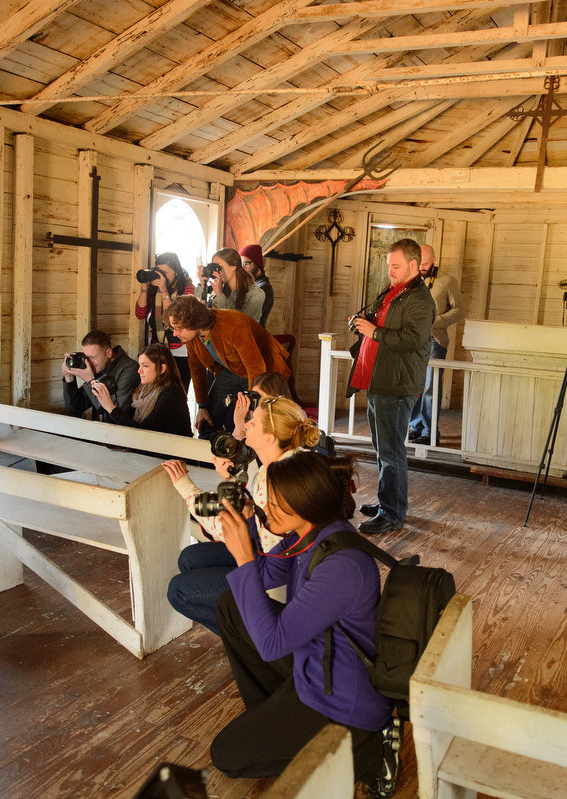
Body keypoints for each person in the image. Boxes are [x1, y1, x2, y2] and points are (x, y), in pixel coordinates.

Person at [208, 451, 394, 788]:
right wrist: (248, 527)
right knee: (230, 606)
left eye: (275, 504)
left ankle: (372, 754)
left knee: (225, 754)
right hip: (317, 663)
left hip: (342, 700)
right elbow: (264, 577)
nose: (266, 509)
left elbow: (271, 644)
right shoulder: (308, 535)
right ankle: (275, 716)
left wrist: (243, 557)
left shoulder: (342, 565)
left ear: (305, 505)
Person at [162, 396, 320, 635]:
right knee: (190, 558)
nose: (246, 425)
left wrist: (186, 488)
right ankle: (239, 617)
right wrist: (232, 480)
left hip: (272, 566)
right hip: (279, 553)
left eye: (253, 422)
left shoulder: (273, 478)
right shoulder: (288, 460)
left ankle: (249, 641)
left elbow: (227, 528)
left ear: (269, 438)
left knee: (178, 591)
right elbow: (250, 511)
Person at [347, 238, 435, 535]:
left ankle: (393, 513)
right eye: (389, 266)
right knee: (382, 448)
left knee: (391, 451)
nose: (390, 271)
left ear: (414, 265)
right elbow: (385, 324)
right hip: (380, 379)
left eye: (396, 266)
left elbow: (412, 339)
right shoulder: (394, 291)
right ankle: (387, 502)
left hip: (397, 385)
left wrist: (375, 332)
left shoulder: (420, 299)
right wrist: (366, 322)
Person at [164, 295, 290, 438]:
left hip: (264, 372)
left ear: (194, 322)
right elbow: (197, 370)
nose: (175, 334)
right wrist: (202, 406)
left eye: (179, 328)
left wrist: (252, 407)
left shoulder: (233, 325)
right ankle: (211, 450)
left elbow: (256, 368)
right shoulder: (190, 338)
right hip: (232, 370)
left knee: (258, 423)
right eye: (174, 328)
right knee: (207, 420)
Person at [408, 244, 464, 446]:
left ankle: (430, 432)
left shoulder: (447, 282)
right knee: (413, 386)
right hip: (412, 341)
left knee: (431, 388)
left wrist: (434, 322)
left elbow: (459, 310)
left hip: (434, 340)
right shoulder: (411, 281)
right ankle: (414, 427)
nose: (421, 267)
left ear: (434, 260)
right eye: (419, 263)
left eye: (425, 263)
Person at [92, 343, 191, 437]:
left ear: (162, 369)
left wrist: (110, 407)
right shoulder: (143, 391)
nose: (139, 371)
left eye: (145, 366)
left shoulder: (171, 395)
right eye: (140, 365)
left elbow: (144, 432)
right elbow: (128, 422)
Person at [135, 252, 195, 388]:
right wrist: (144, 289)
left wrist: (164, 291)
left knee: (178, 390)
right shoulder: (153, 289)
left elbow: (174, 320)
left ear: (176, 272)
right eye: (159, 271)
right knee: (158, 390)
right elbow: (140, 314)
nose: (162, 276)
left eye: (166, 272)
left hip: (181, 350)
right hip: (159, 349)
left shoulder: (188, 289)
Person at [61, 330, 139, 422]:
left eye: (92, 358)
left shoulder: (130, 369)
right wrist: (69, 377)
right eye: (86, 357)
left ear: (109, 352)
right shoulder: (101, 368)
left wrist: (91, 381)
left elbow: (114, 415)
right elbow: (76, 407)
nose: (88, 362)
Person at [205, 247, 265, 323]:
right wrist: (203, 284)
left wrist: (219, 295)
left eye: (219, 267)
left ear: (233, 266)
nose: (215, 272)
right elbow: (203, 318)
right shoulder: (219, 290)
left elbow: (240, 324)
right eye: (213, 268)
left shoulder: (256, 294)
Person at [240, 244, 275, 327]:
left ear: (257, 265)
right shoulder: (251, 284)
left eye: (246, 263)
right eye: (241, 265)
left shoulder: (263, 288)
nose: (242, 268)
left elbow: (247, 319)